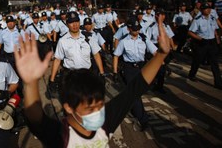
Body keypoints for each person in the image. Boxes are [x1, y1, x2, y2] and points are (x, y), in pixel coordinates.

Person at [13, 14, 170, 147]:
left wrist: (161, 54)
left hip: (88, 74)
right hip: (70, 77)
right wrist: (30, 82)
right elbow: (36, 119)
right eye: (88, 109)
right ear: (68, 107)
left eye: (99, 106)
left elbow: (135, 89)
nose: (96, 114)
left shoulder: (105, 121)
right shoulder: (60, 135)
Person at [113, 18, 157, 131]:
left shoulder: (143, 38)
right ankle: (143, 120)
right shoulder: (123, 41)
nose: (137, 31)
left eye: (138, 29)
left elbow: (154, 52)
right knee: (135, 95)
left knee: (136, 93)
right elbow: (116, 56)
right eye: (134, 29)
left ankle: (132, 107)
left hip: (142, 68)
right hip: (129, 69)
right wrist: (114, 72)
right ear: (128, 29)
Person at [49, 12, 105, 96]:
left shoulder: (89, 37)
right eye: (71, 22)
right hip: (71, 77)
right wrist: (52, 80)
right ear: (67, 24)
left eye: (76, 21)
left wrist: (102, 73)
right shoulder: (62, 41)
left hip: (87, 75)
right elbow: (57, 60)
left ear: (79, 22)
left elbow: (96, 55)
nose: (74, 24)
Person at [188, 3, 222, 89]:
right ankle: (192, 74)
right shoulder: (198, 20)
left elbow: (214, 29)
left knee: (214, 62)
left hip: (211, 42)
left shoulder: (212, 18)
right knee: (197, 60)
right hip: (202, 43)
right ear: (202, 10)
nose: (209, 10)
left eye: (209, 8)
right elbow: (190, 32)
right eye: (206, 9)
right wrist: (200, 39)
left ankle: (218, 82)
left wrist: (217, 38)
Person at [146, 9, 175, 93]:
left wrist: (172, 47)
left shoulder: (166, 26)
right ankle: (153, 84)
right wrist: (152, 51)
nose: (160, 17)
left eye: (162, 15)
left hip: (165, 47)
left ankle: (160, 86)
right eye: (158, 15)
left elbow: (170, 37)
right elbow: (148, 40)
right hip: (155, 47)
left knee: (163, 68)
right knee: (156, 68)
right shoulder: (151, 27)